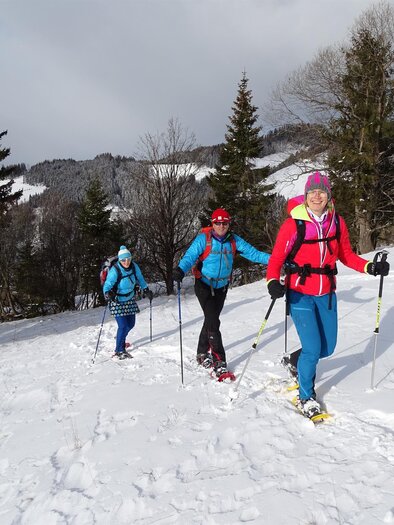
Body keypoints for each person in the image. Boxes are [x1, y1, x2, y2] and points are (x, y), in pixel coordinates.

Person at [266, 171, 390, 418]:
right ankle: (306, 397)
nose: (317, 196)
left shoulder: (337, 222)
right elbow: (276, 259)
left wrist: (369, 267)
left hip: (327, 293)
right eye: (312, 191)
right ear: (306, 196)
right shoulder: (294, 224)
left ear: (328, 195)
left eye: (322, 191)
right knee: (312, 348)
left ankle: (295, 361)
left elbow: (346, 255)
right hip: (300, 293)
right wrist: (272, 281)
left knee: (328, 347)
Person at [173, 208, 270, 377]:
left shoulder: (234, 241)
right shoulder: (204, 239)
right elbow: (190, 256)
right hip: (203, 285)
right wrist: (180, 270)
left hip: (222, 287)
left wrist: (277, 259)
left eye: (224, 223)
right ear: (213, 223)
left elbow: (254, 254)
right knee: (213, 322)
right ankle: (219, 362)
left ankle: (202, 353)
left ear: (228, 224)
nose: (221, 226)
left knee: (211, 320)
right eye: (218, 223)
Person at [103, 245, 153, 359]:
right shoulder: (115, 270)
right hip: (117, 300)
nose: (126, 262)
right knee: (123, 325)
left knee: (130, 324)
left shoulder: (134, 266)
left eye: (128, 259)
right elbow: (108, 284)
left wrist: (146, 289)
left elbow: (140, 278)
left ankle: (121, 341)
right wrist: (107, 293)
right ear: (120, 260)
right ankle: (119, 350)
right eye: (123, 260)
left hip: (129, 298)